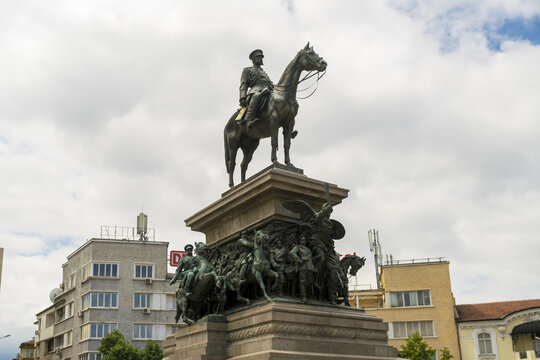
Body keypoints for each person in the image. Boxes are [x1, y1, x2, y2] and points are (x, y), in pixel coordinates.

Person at [239, 49, 274, 127]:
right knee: (257, 95)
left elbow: (270, 82)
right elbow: (243, 84)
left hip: (268, 90)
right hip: (256, 90)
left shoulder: (263, 72)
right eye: (258, 57)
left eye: (261, 57)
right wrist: (242, 98)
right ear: (253, 59)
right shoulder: (247, 70)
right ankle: (249, 119)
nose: (261, 59)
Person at [290, 235, 317, 303]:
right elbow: (292, 253)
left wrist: (314, 267)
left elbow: (311, 258)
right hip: (303, 266)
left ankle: (307, 295)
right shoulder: (297, 247)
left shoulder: (309, 249)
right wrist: (299, 260)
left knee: (309, 281)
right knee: (303, 281)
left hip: (310, 266)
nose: (303, 241)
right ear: (299, 240)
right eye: (302, 239)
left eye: (304, 240)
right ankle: (303, 296)